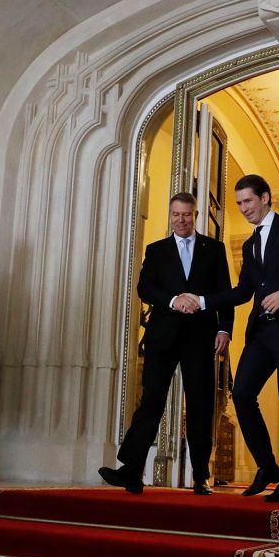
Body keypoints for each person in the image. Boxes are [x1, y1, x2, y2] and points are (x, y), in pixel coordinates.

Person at [200, 174, 279, 502]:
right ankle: (267, 466)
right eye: (239, 204)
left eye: (248, 201)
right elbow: (243, 292)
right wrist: (201, 301)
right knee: (241, 395)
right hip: (262, 332)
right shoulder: (250, 243)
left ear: (265, 198)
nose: (243, 209)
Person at [100, 193, 232, 495]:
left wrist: (225, 328)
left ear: (195, 216)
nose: (181, 220)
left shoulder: (214, 249)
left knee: (200, 405)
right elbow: (145, 287)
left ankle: (201, 476)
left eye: (186, 215)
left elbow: (224, 292)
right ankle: (131, 470)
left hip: (201, 337)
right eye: (175, 214)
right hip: (164, 336)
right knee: (151, 402)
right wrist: (174, 300)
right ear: (170, 215)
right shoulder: (156, 250)